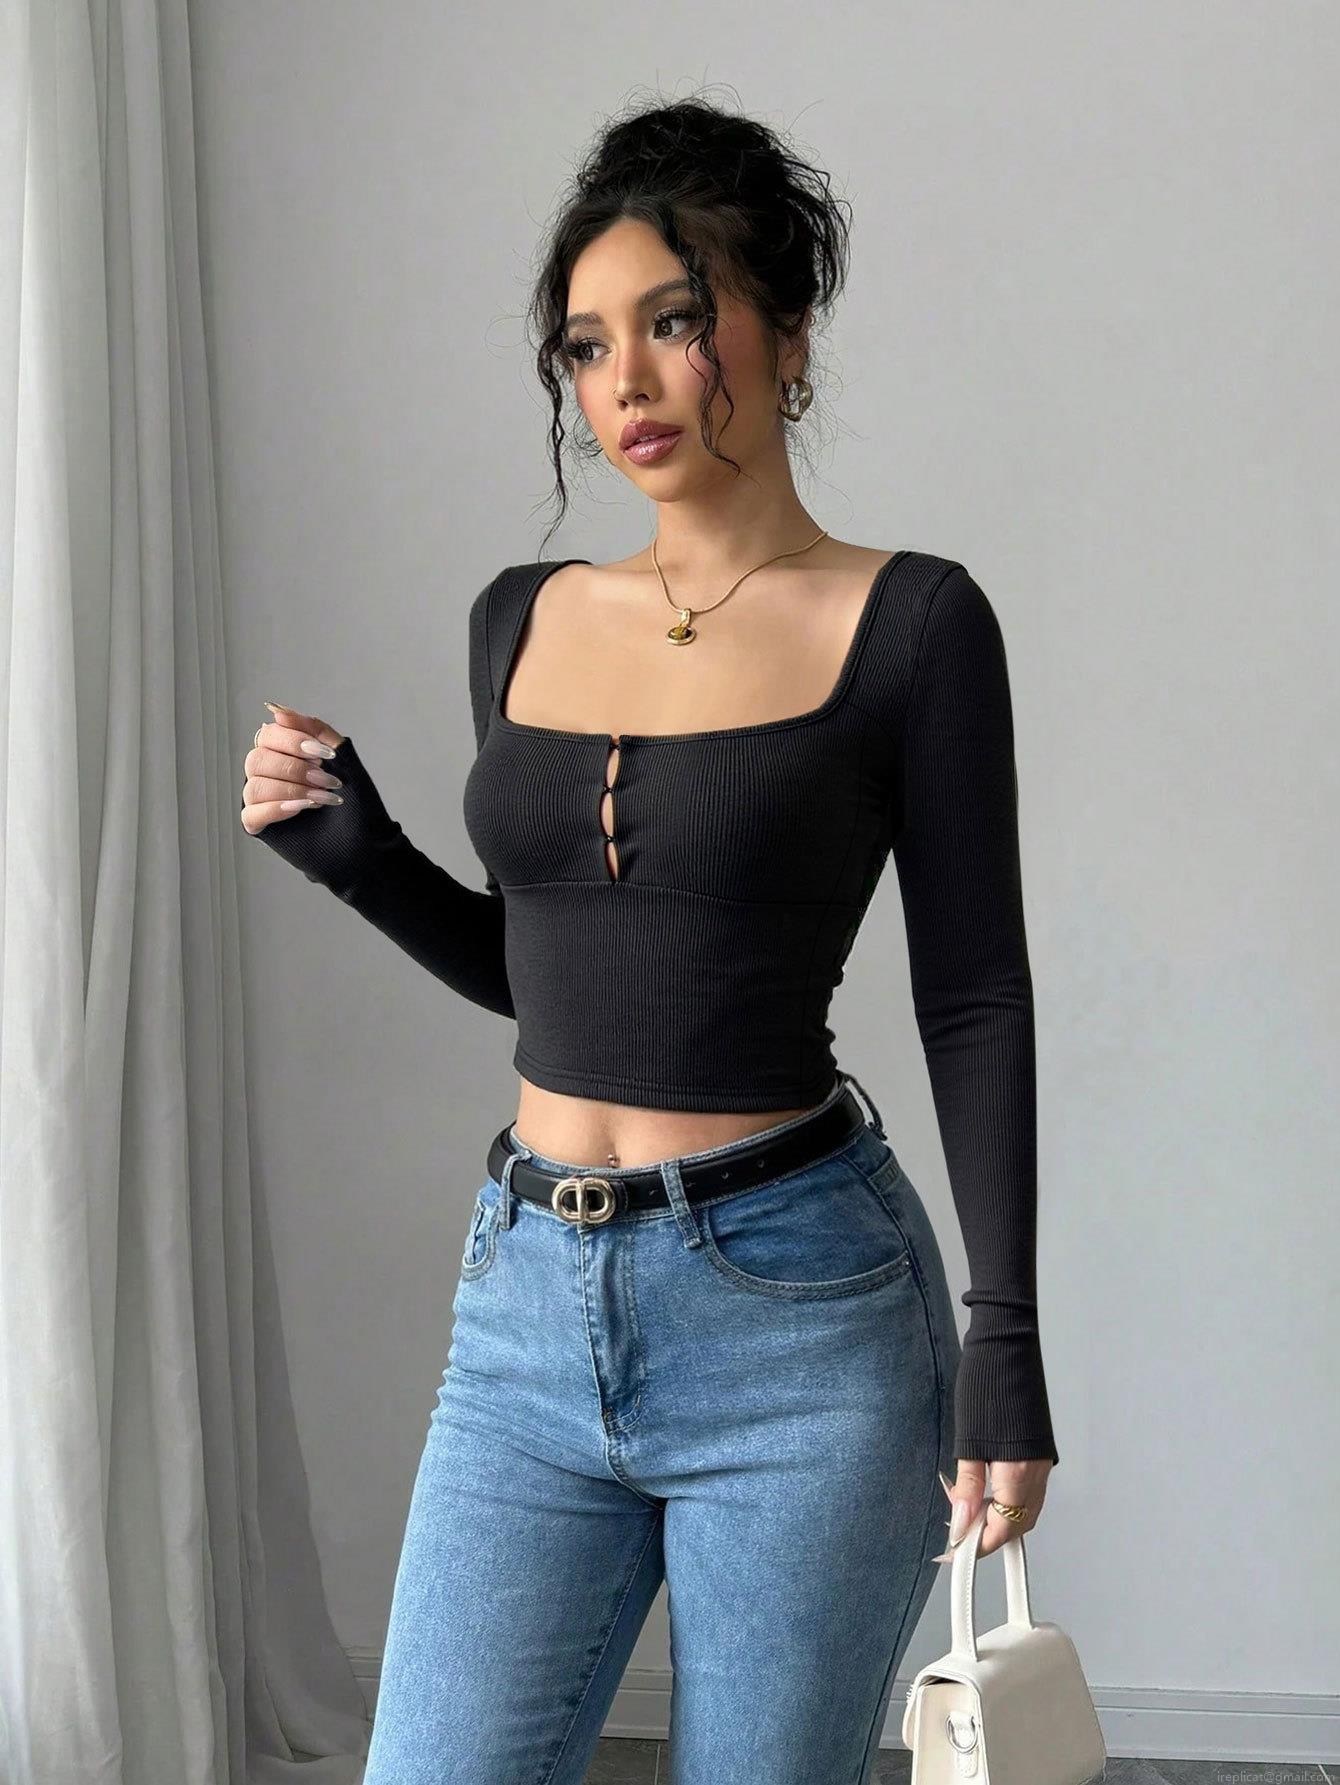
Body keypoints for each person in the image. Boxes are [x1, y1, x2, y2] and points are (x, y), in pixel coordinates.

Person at [241, 93, 1058, 1785]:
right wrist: (365, 863)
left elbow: (975, 992)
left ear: (787, 334)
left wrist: (1007, 1338)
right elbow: (562, 987)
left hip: (802, 1314)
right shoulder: (521, 619)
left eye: (676, 321)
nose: (627, 382)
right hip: (526, 1302)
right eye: (588, 344)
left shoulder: (913, 623)